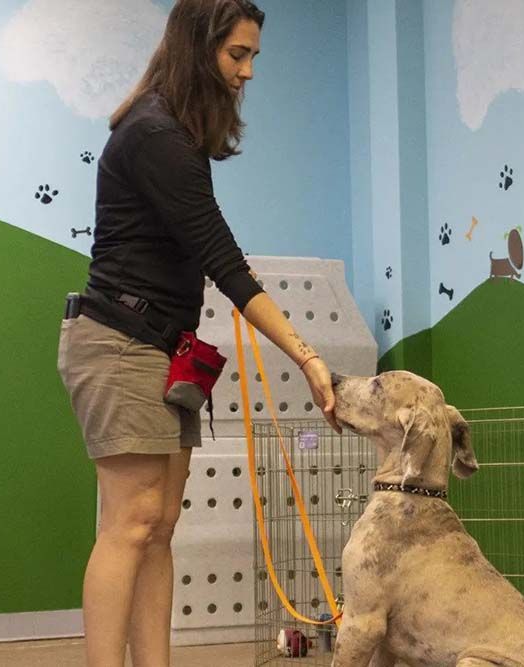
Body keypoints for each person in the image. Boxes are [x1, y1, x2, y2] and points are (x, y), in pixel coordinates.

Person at [56, 1, 339, 665]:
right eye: (237, 55)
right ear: (198, 48)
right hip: (118, 340)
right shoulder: (154, 131)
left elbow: (212, 257)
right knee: (130, 522)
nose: (248, 71)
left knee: (159, 526)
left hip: (164, 347)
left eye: (253, 57)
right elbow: (223, 259)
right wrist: (306, 354)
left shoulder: (178, 133)